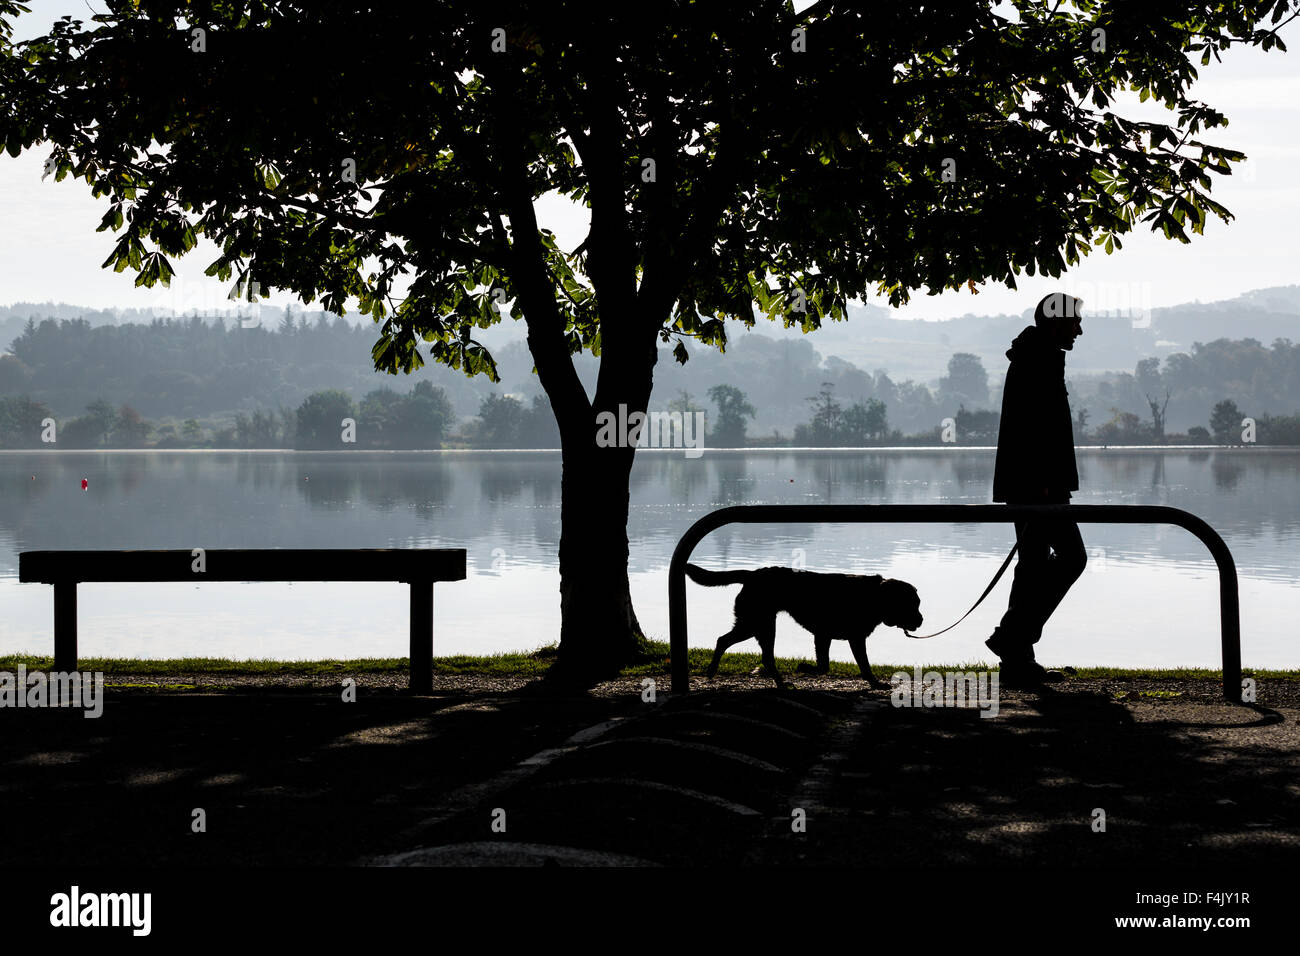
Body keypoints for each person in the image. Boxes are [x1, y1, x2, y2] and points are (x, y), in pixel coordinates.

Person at [987, 292, 1087, 688]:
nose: (1079, 329)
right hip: (1038, 485)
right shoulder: (1038, 359)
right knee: (1071, 557)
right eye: (1074, 322)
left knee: (1033, 563)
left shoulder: (1037, 355)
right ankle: (1013, 638)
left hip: (1036, 482)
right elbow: (1033, 429)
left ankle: (1016, 657)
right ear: (1054, 322)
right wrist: (1045, 484)